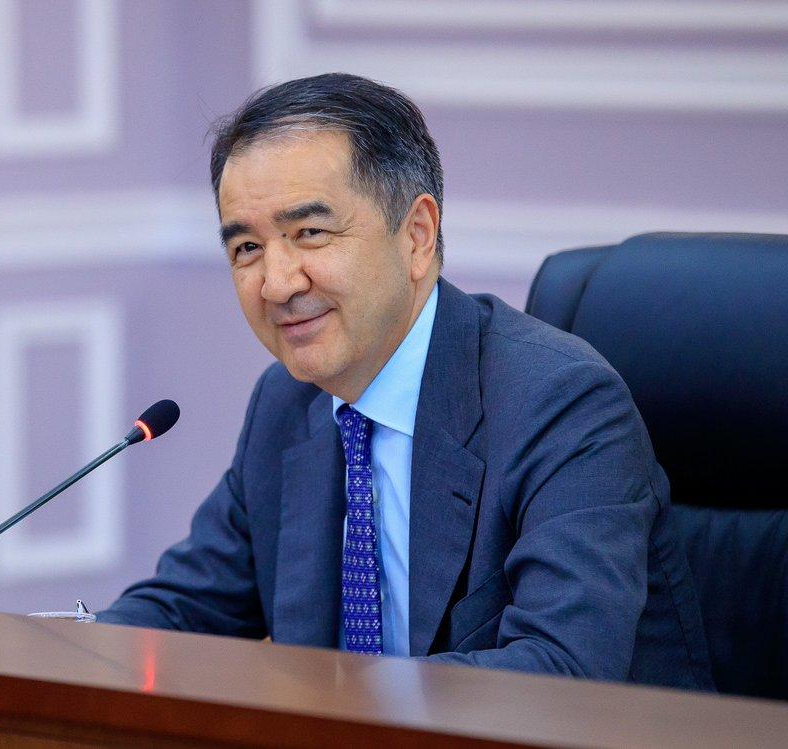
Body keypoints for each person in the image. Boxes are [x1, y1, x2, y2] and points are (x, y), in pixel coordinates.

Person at [96, 73, 713, 689]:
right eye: (247, 249)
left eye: (309, 233)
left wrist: (328, 702)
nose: (277, 284)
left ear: (417, 235)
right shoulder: (287, 405)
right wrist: (72, 652)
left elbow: (558, 675)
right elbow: (181, 610)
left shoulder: (560, 405)